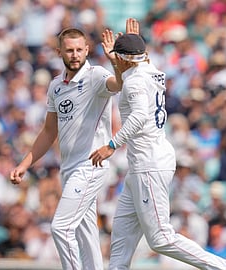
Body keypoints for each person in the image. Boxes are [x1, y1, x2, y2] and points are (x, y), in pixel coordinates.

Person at [89, 33, 226, 270]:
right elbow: (129, 70)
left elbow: (139, 115)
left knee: (160, 238)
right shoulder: (152, 70)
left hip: (148, 163)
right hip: (144, 162)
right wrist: (130, 44)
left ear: (124, 59)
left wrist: (111, 145)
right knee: (121, 240)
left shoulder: (135, 82)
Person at [9, 18, 139, 270]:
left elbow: (119, 84)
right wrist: (24, 164)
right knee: (85, 234)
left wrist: (115, 62)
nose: (75, 54)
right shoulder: (56, 86)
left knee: (61, 227)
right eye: (69, 50)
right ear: (59, 52)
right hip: (68, 170)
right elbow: (49, 131)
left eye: (79, 49)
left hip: (91, 166)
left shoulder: (96, 76)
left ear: (87, 50)